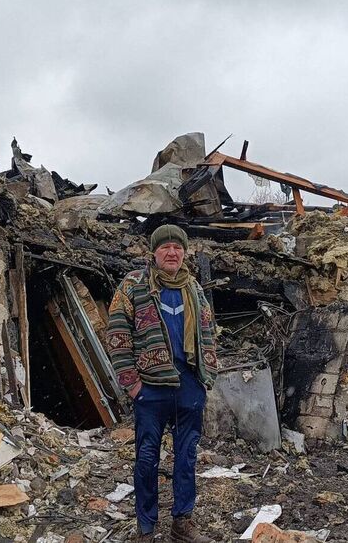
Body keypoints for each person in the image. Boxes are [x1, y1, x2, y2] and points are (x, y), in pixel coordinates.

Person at [105, 224, 218, 542]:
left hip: (188, 386)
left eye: (177, 247)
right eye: (165, 247)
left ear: (184, 253)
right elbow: (117, 334)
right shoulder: (133, 285)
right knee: (146, 458)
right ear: (153, 253)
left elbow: (209, 332)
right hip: (150, 388)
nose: (172, 252)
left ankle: (182, 523)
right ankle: (146, 528)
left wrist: (206, 377)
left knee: (186, 457)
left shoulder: (193, 288)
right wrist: (132, 384)